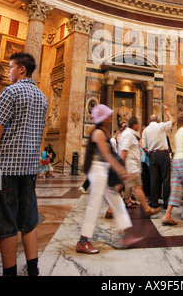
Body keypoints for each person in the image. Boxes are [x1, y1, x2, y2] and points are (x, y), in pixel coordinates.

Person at [0, 52, 48, 276]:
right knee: (29, 221)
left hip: (4, 167)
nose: (7, 72)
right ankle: (33, 269)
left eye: (10, 67)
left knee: (5, 222)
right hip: (30, 169)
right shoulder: (43, 97)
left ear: (21, 70)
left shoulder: (10, 91)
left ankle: (9, 272)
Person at [76, 104, 143, 254]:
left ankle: (126, 234)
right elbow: (107, 155)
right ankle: (83, 241)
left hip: (103, 170)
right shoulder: (99, 133)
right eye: (108, 115)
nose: (112, 117)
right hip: (98, 170)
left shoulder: (102, 132)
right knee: (95, 204)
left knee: (117, 201)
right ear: (103, 118)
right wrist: (122, 171)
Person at [119, 117, 162, 217]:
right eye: (138, 124)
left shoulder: (131, 134)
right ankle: (147, 209)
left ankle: (110, 210)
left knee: (120, 187)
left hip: (131, 167)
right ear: (134, 125)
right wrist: (122, 168)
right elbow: (124, 152)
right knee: (137, 187)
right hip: (130, 168)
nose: (139, 125)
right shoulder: (129, 135)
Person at [141, 105, 175, 209]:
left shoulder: (145, 130)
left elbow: (143, 146)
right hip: (163, 154)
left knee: (154, 180)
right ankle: (166, 203)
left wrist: (149, 152)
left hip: (153, 155)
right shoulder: (161, 126)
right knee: (165, 179)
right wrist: (167, 111)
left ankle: (153, 202)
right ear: (157, 119)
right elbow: (172, 121)